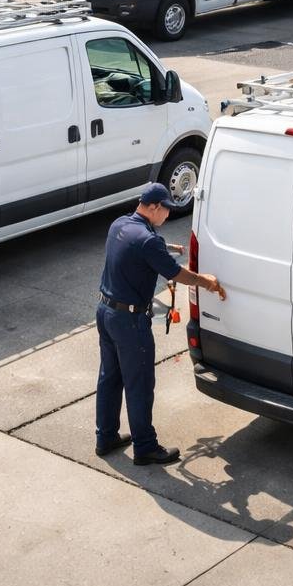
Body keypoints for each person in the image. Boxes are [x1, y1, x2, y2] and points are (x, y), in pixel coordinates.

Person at [95, 183, 225, 465]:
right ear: (154, 207)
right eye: (166, 210)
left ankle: (105, 437)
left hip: (105, 312)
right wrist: (208, 283)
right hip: (129, 322)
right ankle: (145, 447)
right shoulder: (148, 241)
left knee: (110, 376)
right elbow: (178, 274)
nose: (167, 215)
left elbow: (139, 245)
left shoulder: (121, 224)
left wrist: (169, 247)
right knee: (139, 382)